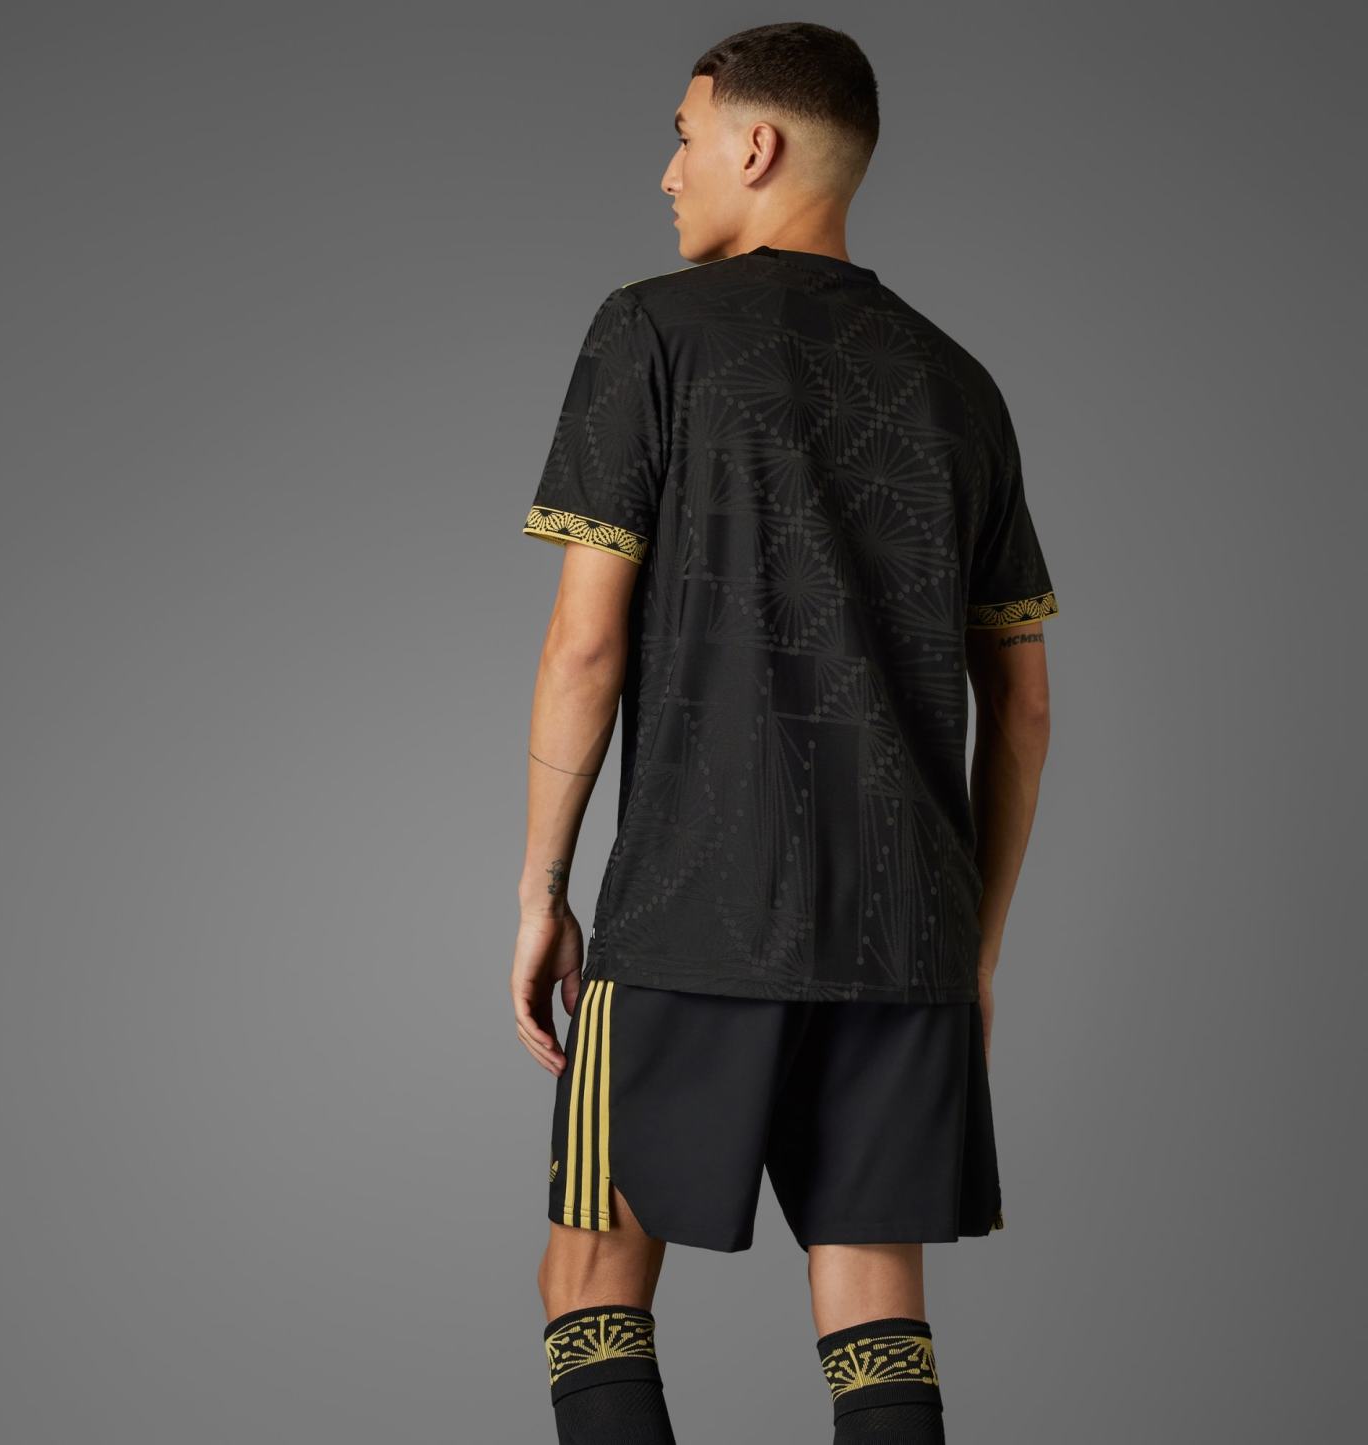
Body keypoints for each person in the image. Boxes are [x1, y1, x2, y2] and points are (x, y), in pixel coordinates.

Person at [510, 21, 1059, 1443]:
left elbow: (584, 641)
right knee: (877, 1312)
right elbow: (1023, 700)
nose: (666, 172)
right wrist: (974, 949)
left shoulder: (650, 330)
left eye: (683, 138)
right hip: (906, 931)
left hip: (692, 909)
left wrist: (542, 889)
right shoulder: (961, 382)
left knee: (590, 1281)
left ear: (754, 146)